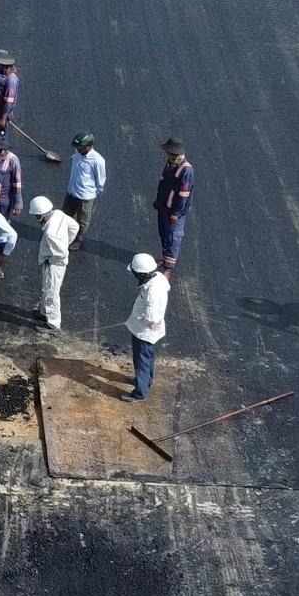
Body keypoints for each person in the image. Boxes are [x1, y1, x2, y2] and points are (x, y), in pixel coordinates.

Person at [121, 253, 169, 402]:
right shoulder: (159, 278)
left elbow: (151, 316)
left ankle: (140, 392)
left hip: (144, 331)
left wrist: (141, 319)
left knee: (141, 359)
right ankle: (146, 381)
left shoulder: (152, 292)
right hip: (148, 331)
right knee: (147, 357)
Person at [30, 195, 80, 331]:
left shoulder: (51, 233)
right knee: (46, 287)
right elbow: (74, 226)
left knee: (52, 292)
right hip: (53, 261)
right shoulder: (58, 214)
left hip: (54, 264)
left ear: (42, 216)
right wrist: (67, 241)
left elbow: (61, 252)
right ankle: (44, 312)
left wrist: (53, 258)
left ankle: (53, 324)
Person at [154, 137, 194, 277]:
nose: (168, 156)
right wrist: (159, 200)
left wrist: (176, 212)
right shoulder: (170, 163)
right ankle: (165, 259)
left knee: (173, 236)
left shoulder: (186, 171)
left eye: (170, 153)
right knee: (164, 233)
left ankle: (169, 267)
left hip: (174, 211)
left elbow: (184, 194)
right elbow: (163, 182)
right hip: (164, 206)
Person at [64, 133, 105, 249]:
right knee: (65, 214)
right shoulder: (77, 154)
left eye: (80, 148)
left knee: (83, 220)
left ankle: (78, 240)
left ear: (88, 146)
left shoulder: (98, 160)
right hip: (71, 192)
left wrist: (93, 193)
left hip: (85, 196)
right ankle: (64, 234)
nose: (77, 150)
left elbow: (101, 181)